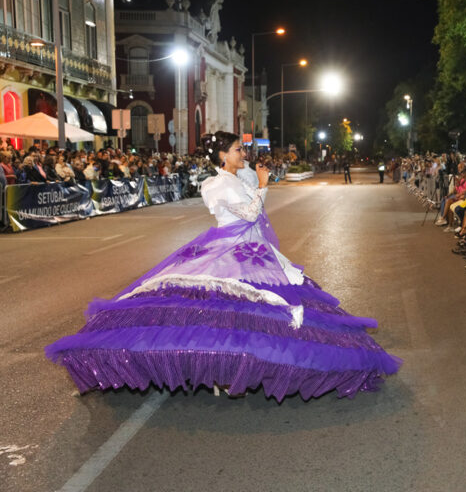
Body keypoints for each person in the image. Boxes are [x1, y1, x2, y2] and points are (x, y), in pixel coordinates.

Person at [46, 131, 401, 400]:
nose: (243, 153)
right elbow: (248, 213)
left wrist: (259, 181)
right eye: (237, 150)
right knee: (222, 311)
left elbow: (256, 206)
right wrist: (262, 185)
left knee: (253, 311)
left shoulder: (240, 176)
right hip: (230, 246)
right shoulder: (215, 184)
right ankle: (218, 372)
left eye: (242, 149)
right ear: (221, 155)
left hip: (253, 248)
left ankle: (230, 373)